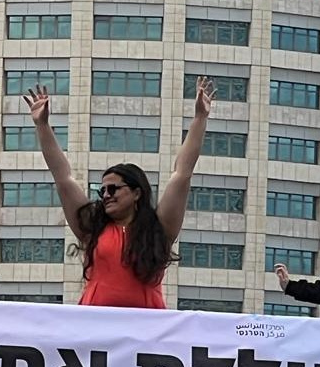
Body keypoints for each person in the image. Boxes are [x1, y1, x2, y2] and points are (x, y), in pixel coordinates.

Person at [23, 77, 215, 308]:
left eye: (113, 188)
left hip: (148, 326)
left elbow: (182, 174)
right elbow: (63, 177)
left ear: (137, 193)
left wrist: (200, 118)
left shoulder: (159, 229)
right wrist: (42, 126)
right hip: (95, 324)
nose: (106, 195)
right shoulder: (92, 228)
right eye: (102, 190)